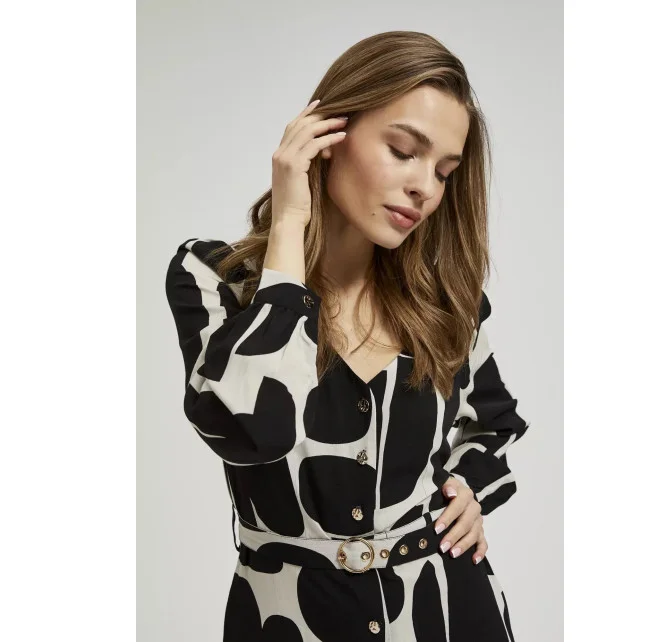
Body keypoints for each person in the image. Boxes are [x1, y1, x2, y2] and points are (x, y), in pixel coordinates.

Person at [165, 30, 530, 642]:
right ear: (328, 134)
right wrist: (289, 225)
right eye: (403, 150)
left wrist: (467, 486)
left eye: (444, 172)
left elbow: (495, 425)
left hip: (446, 613)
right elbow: (250, 429)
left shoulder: (446, 305)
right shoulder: (215, 280)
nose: (426, 188)